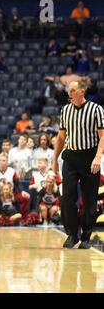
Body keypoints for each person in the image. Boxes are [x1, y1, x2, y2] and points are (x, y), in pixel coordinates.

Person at [52, 80, 104, 249]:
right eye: (69, 90)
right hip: (71, 157)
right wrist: (54, 160)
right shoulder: (65, 110)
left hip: (90, 157)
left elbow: (102, 136)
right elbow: (61, 137)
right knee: (67, 196)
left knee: (89, 199)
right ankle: (72, 235)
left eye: (73, 90)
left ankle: (87, 236)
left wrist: (97, 157)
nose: (70, 93)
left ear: (82, 91)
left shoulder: (96, 109)